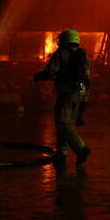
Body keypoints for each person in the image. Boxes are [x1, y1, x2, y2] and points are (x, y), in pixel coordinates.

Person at [34, 29, 91, 167]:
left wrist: (38, 76)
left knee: (62, 123)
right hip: (81, 93)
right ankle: (61, 153)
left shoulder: (61, 54)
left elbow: (50, 72)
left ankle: (81, 149)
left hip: (67, 93)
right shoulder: (83, 56)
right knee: (65, 123)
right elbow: (87, 78)